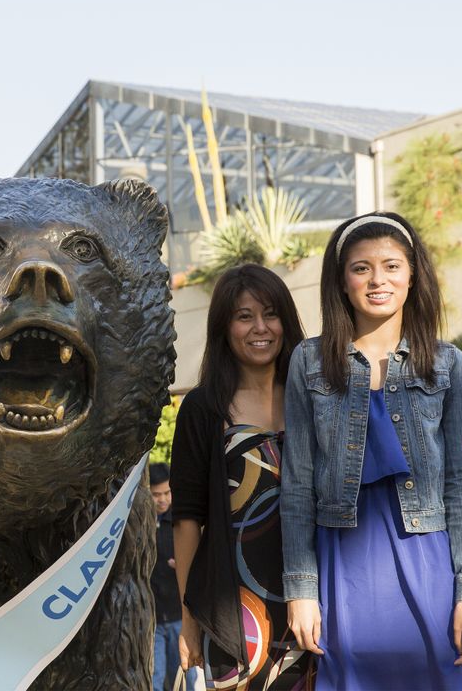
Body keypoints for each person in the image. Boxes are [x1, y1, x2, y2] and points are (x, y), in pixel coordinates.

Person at [282, 212, 462, 690]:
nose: (378, 280)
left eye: (392, 266)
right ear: (342, 280)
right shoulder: (309, 363)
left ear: (413, 276)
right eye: (362, 268)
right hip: (344, 564)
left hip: (430, 559)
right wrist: (302, 592)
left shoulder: (448, 364)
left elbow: (460, 488)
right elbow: (296, 485)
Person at [170, 264, 314, 690]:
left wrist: (448, 456)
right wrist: (190, 619)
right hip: (235, 613)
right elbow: (186, 520)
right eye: (244, 316)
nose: (260, 328)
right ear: (224, 327)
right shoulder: (202, 409)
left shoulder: (316, 398)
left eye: (270, 314)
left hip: (316, 601)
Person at [150, 462, 198, 691]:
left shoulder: (182, 522)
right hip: (152, 622)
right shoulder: (140, 524)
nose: (162, 499)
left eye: (167, 493)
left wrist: (186, 565)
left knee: (184, 679)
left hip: (180, 618)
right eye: (156, 494)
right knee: (154, 680)